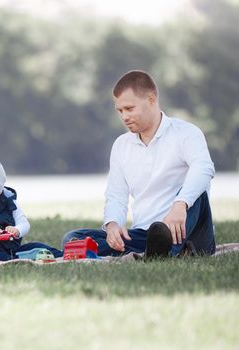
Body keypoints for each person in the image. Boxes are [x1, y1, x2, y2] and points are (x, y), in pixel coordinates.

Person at [62, 70, 216, 258]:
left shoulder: (186, 133)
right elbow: (116, 194)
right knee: (73, 239)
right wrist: (113, 226)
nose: (124, 116)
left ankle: (167, 251)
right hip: (145, 234)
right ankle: (154, 251)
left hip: (189, 230)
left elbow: (204, 168)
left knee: (196, 194)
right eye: (120, 111)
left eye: (129, 108)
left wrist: (180, 205)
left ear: (151, 99)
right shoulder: (121, 145)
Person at [0, 157, 62, 261]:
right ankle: (15, 260)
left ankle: (63, 255)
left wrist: (17, 230)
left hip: (14, 248)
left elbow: (24, 224)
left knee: (37, 246)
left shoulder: (9, 202)